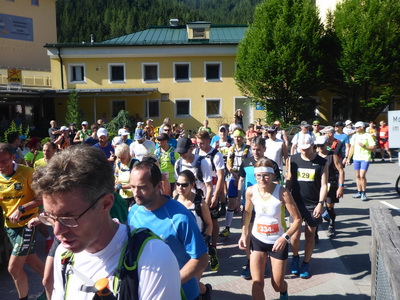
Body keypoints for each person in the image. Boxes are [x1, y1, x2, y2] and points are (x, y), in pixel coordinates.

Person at [31, 145, 181, 300]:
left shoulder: (152, 256)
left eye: (68, 218)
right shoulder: (64, 255)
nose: (57, 232)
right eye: (50, 217)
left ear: (105, 204)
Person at [128, 160, 209, 300]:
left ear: (159, 185)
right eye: (132, 186)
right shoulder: (133, 211)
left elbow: (201, 259)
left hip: (183, 294)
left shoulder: (180, 217)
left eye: (142, 187)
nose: (136, 193)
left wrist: (171, 282)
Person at [238, 158, 301, 300]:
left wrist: (285, 237)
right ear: (255, 176)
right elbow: (247, 214)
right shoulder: (250, 191)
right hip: (258, 240)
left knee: (277, 284)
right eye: (259, 175)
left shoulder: (282, 192)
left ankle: (283, 292)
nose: (262, 179)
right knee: (256, 283)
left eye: (266, 175)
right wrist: (244, 234)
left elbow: (298, 219)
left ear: (272, 175)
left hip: (277, 242)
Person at [0, 143, 45, 300]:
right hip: (10, 227)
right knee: (31, 260)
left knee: (13, 268)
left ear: (13, 158)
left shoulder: (27, 173)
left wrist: (21, 209)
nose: (1, 166)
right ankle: (57, 281)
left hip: (28, 224)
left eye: (4, 161)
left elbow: (42, 198)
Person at [237, 136, 281, 280]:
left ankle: (266, 260)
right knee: (248, 234)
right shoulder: (245, 162)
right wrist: (239, 199)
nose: (255, 152)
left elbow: (276, 185)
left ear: (264, 149)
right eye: (253, 149)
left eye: (258, 149)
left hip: (267, 206)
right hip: (250, 204)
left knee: (265, 234)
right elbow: (241, 180)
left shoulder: (271, 164)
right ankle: (250, 262)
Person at [286, 134, 328, 279]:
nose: (303, 151)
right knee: (295, 235)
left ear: (313, 145)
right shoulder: (293, 159)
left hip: (313, 204)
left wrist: (320, 204)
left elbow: (324, 185)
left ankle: (306, 262)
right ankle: (296, 257)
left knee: (310, 235)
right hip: (296, 203)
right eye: (301, 148)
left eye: (306, 148)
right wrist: (284, 198)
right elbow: (289, 181)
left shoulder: (322, 162)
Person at [174, 170, 213, 299]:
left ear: (192, 185)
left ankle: (205, 290)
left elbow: (209, 224)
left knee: (192, 282)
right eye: (178, 184)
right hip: (179, 248)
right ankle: (203, 291)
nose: (180, 187)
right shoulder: (174, 200)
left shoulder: (200, 203)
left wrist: (205, 239)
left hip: (196, 249)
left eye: (184, 185)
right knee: (183, 282)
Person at [195, 130, 226, 271]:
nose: (200, 145)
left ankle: (213, 246)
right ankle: (203, 245)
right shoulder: (196, 152)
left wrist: (215, 195)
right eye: (198, 143)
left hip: (211, 190)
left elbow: (220, 177)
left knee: (212, 221)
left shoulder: (216, 155)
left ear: (208, 141)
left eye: (202, 143)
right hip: (198, 192)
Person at [220, 128, 252, 237]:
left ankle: (247, 229)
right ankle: (227, 228)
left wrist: (241, 177)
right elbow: (228, 165)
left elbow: (250, 164)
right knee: (232, 202)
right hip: (233, 177)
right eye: (235, 137)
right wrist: (234, 175)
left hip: (245, 177)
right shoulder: (231, 149)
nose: (237, 139)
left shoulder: (249, 150)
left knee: (246, 204)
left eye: (239, 137)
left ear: (243, 138)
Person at [315, 136, 344, 237]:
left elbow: (340, 170)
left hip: (330, 183)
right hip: (317, 184)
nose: (319, 148)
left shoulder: (333, 155)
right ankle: (315, 232)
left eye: (321, 146)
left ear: (327, 144)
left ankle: (331, 225)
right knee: (316, 206)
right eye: (317, 146)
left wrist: (341, 186)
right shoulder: (314, 156)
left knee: (329, 206)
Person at [174, 137, 213, 206]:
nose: (181, 155)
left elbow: (209, 187)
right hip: (183, 202)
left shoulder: (202, 163)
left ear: (191, 149)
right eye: (179, 153)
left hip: (199, 202)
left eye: (184, 152)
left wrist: (205, 206)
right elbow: (176, 186)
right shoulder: (178, 164)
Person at [347, 121, 376, 201]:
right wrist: (348, 158)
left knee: (362, 175)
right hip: (356, 158)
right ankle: (359, 192)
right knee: (357, 176)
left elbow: (373, 148)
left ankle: (364, 192)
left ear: (362, 127)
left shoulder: (368, 136)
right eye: (355, 127)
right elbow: (351, 148)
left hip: (365, 158)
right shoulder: (354, 136)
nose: (355, 129)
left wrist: (364, 146)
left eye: (357, 127)